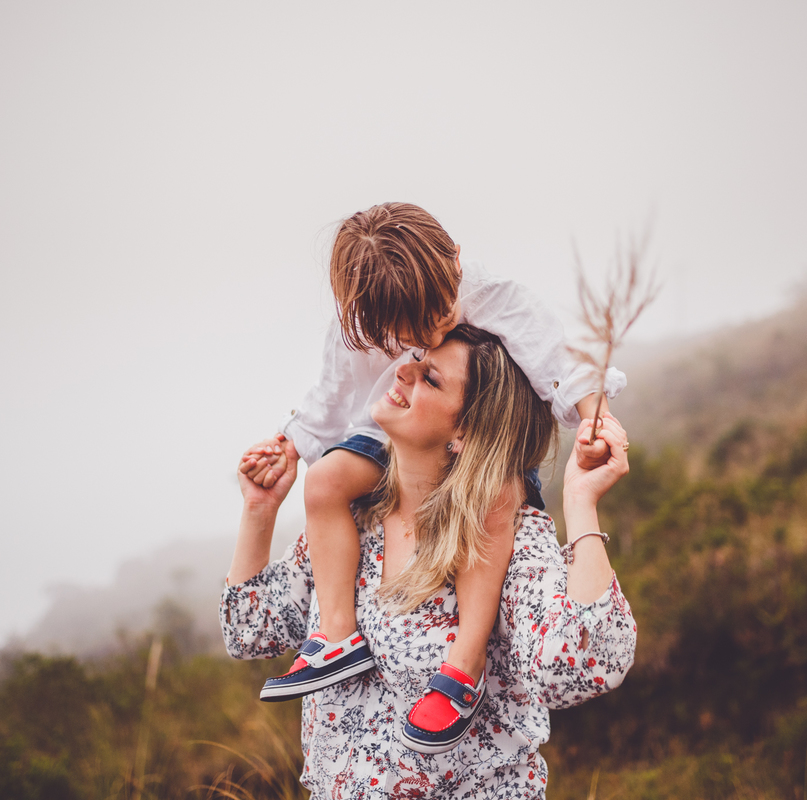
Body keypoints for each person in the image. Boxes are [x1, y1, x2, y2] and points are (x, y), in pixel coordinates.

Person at [238, 202, 626, 752]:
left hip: (472, 444)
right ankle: (337, 633)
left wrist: (592, 412)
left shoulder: (494, 293)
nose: (434, 329)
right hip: (387, 437)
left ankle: (463, 665)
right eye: (410, 333)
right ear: (365, 321)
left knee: (495, 496)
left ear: (457, 260)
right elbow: (328, 398)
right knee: (323, 482)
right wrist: (289, 449)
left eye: (442, 310)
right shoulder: (355, 334)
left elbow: (554, 358)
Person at [222, 325, 636, 798]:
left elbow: (581, 667)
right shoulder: (355, 522)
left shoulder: (509, 540)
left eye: (430, 379)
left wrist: (580, 501)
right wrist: (259, 509)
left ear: (465, 429)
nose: (402, 371)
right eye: (414, 360)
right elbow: (250, 631)